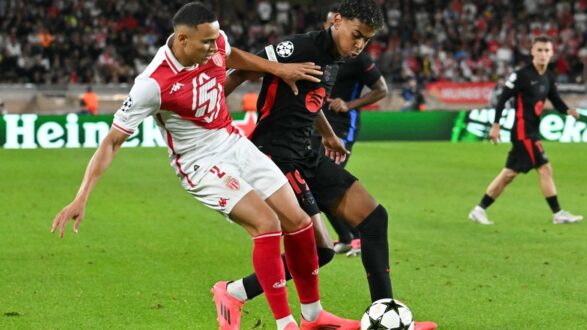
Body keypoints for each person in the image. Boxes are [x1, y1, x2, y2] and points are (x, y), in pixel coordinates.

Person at [50, 3, 358, 330]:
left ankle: (313, 316)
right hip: (200, 163)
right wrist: (81, 196)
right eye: (207, 43)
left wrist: (277, 68)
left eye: (216, 39)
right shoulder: (152, 84)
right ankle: (286, 324)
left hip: (233, 141)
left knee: (298, 221)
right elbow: (112, 141)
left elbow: (233, 54)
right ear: (182, 40)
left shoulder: (215, 41)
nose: (215, 48)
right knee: (267, 223)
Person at [219, 1, 437, 329]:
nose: (359, 45)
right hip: (274, 156)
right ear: (337, 21)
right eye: (356, 35)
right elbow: (240, 71)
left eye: (366, 40)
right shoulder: (298, 46)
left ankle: (385, 314)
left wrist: (329, 134)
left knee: (372, 219)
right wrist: (211, 119)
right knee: (318, 247)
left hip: (308, 154)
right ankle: (234, 293)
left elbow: (310, 99)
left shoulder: (335, 59)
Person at [469, 35, 583, 225]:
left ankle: (479, 209)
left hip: (530, 132)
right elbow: (502, 100)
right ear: (532, 52)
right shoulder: (521, 75)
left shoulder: (547, 76)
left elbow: (555, 100)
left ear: (552, 53)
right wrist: (496, 125)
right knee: (545, 168)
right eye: (539, 50)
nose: (543, 54)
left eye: (547, 50)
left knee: (508, 175)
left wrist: (568, 110)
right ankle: (558, 213)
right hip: (523, 133)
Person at [311, 5, 389, 256]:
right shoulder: (322, 54)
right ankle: (345, 237)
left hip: (345, 125)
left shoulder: (359, 58)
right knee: (315, 182)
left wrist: (349, 104)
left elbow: (381, 90)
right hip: (319, 123)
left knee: (330, 180)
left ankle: (358, 237)